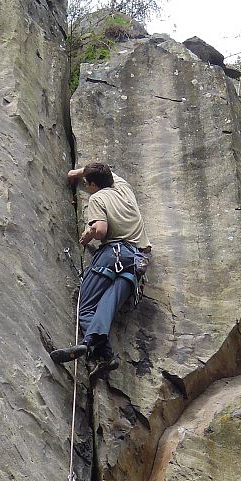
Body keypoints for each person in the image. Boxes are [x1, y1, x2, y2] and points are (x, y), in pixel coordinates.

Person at [50, 162, 151, 380]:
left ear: (94, 185)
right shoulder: (123, 188)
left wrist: (88, 234)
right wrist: (77, 173)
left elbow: (101, 230)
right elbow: (106, 171)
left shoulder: (97, 198)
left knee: (86, 309)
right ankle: (106, 356)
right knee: (106, 307)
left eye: (87, 184)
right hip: (135, 263)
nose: (86, 187)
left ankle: (91, 345)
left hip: (111, 255)